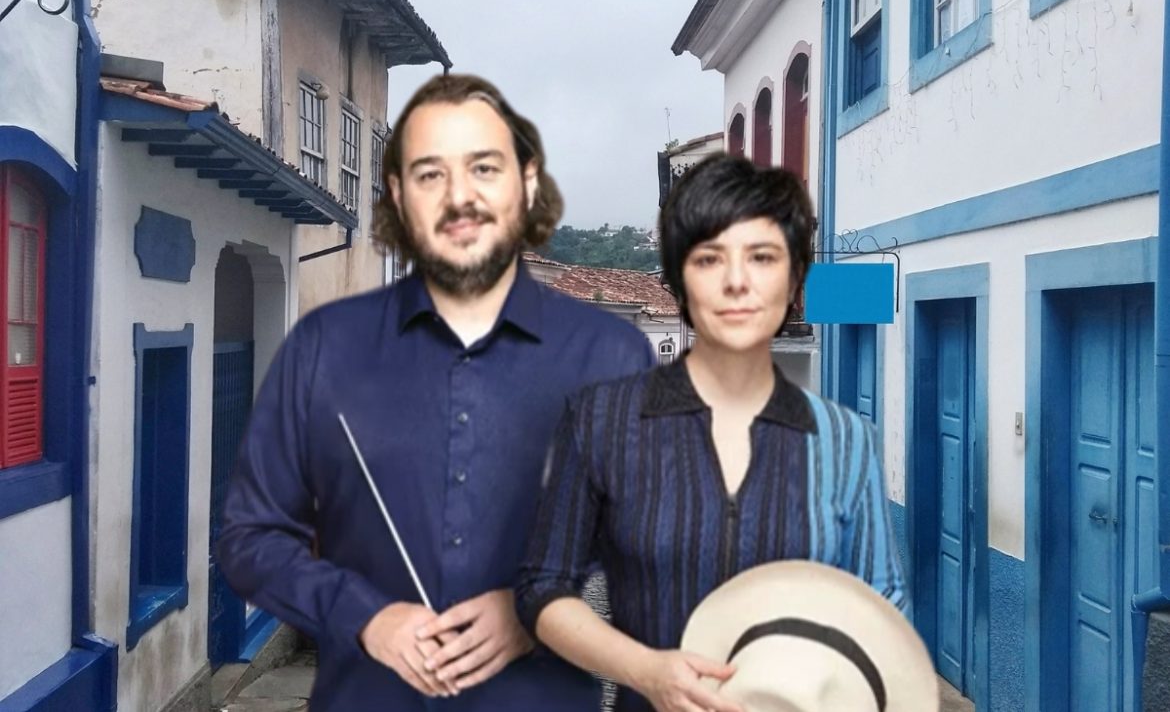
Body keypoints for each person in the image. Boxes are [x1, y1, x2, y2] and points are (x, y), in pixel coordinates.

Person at [218, 73, 654, 711]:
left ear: (526, 184)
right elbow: (248, 538)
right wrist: (364, 615)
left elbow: (646, 550)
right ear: (397, 194)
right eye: (429, 174)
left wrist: (534, 611)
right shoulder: (322, 348)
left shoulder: (613, 356)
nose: (459, 197)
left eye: (484, 168)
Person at [515, 153, 907, 712]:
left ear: (796, 279)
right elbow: (543, 588)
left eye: (763, 257)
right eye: (709, 258)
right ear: (678, 278)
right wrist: (646, 670)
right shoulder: (599, 420)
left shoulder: (846, 441)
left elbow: (882, 608)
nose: (737, 282)